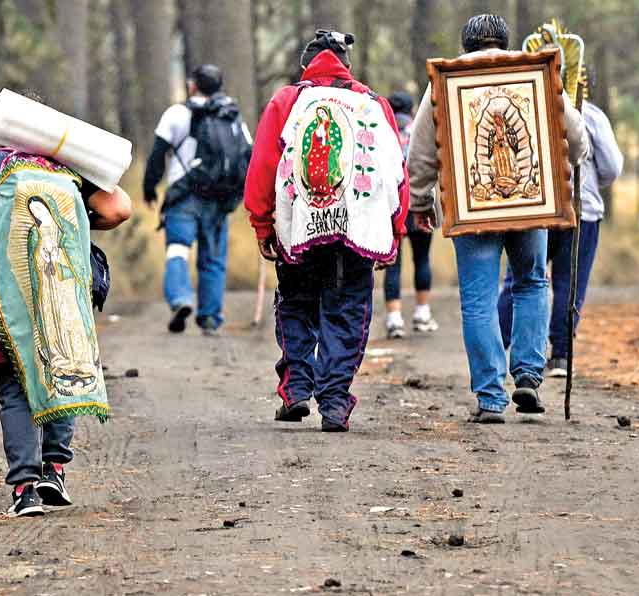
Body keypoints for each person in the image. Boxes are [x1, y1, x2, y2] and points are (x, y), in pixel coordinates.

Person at [406, 14, 589, 423]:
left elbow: (420, 151)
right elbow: (575, 137)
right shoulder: (535, 75)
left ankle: (490, 397)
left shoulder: (448, 83)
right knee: (531, 282)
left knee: (478, 301)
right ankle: (527, 372)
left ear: (466, 44)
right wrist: (571, 163)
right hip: (530, 203)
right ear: (505, 41)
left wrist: (419, 202)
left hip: (474, 207)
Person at [0, 148, 131, 517]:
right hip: (60, 291)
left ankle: (24, 490)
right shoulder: (70, 162)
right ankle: (53, 471)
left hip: (2, 294)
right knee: (62, 372)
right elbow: (119, 209)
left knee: (13, 390)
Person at [244, 30, 409, 432]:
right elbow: (394, 172)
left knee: (297, 303)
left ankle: (297, 385)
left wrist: (262, 224)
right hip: (357, 230)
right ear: (347, 67)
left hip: (299, 226)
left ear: (306, 64)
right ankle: (334, 402)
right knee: (348, 309)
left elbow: (264, 164)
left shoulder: (287, 101)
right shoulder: (373, 105)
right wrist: (394, 229)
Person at [498, 90, 623, 376]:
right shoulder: (589, 114)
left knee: (520, 281)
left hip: (534, 208)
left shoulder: (520, 106)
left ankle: (495, 346)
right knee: (569, 284)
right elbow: (612, 167)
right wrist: (592, 180)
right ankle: (561, 356)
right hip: (580, 209)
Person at [142, 64, 252, 335]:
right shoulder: (232, 116)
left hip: (185, 195)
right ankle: (211, 317)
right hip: (219, 198)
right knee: (213, 259)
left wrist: (150, 188)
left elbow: (158, 154)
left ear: (192, 85)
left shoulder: (178, 113)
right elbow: (248, 155)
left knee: (178, 248)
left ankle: (181, 299)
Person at [382, 90, 438, 339]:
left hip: (392, 207)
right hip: (419, 202)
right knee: (422, 258)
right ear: (411, 109)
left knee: (393, 263)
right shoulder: (419, 130)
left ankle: (395, 319)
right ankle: (422, 313)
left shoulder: (383, 131)